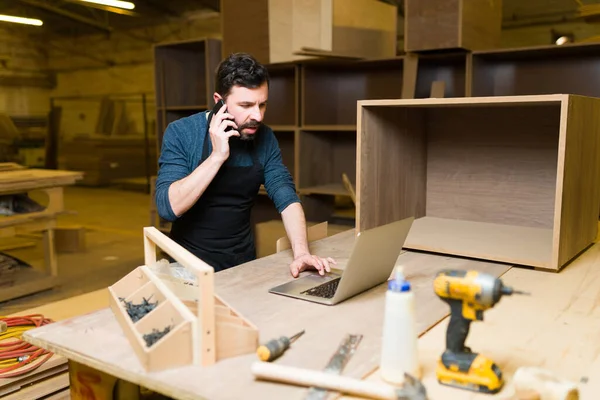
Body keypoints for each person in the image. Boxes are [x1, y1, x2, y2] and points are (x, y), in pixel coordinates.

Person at [155, 52, 336, 276]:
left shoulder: (265, 137)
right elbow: (168, 207)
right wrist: (217, 157)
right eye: (246, 105)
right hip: (187, 266)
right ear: (218, 102)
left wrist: (301, 253)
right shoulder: (182, 133)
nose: (257, 116)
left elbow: (286, 197)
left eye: (262, 105)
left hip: (242, 263)